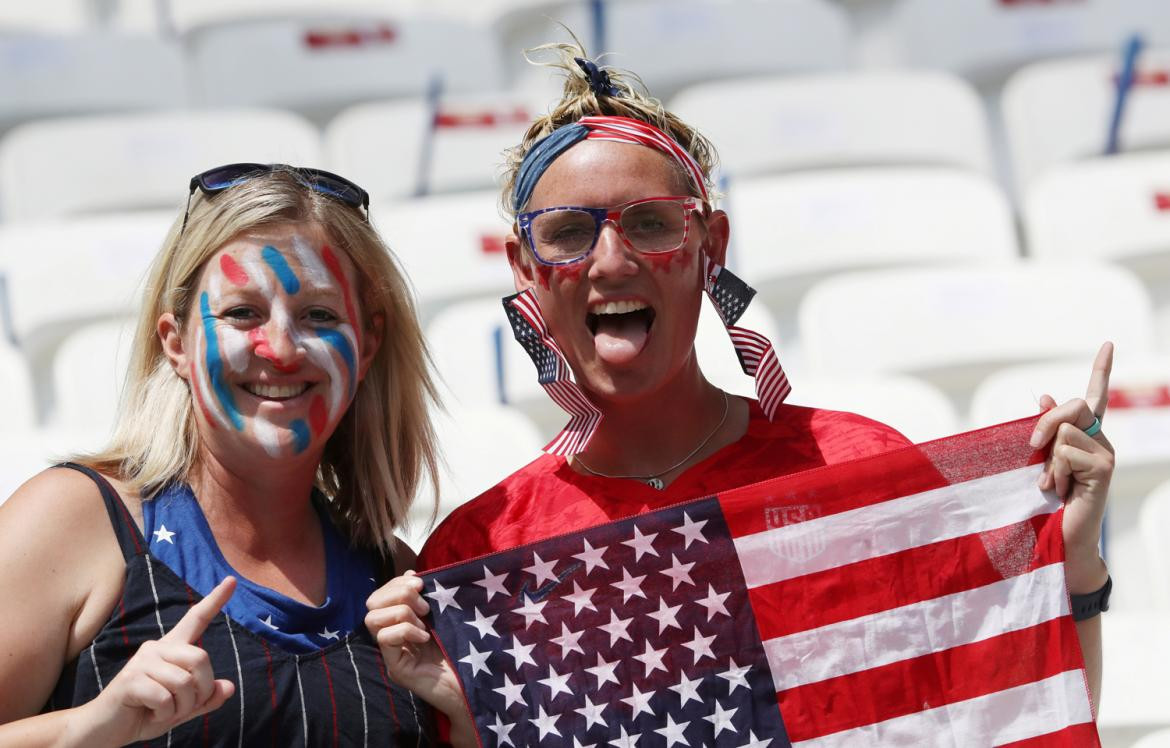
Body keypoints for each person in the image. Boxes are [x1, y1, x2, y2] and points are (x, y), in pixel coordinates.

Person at [367, 42, 1115, 719]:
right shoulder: (483, 553)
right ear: (526, 269)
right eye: (568, 232)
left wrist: (1074, 565)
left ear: (710, 245)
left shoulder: (862, 473)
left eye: (652, 222)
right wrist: (469, 718)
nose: (611, 260)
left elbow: (1014, 718)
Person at [0, 164, 474, 746]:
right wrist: (90, 728)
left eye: (319, 316)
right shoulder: (73, 521)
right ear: (176, 343)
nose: (279, 350)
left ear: (368, 343)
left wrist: (470, 721)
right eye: (242, 313)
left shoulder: (395, 577)